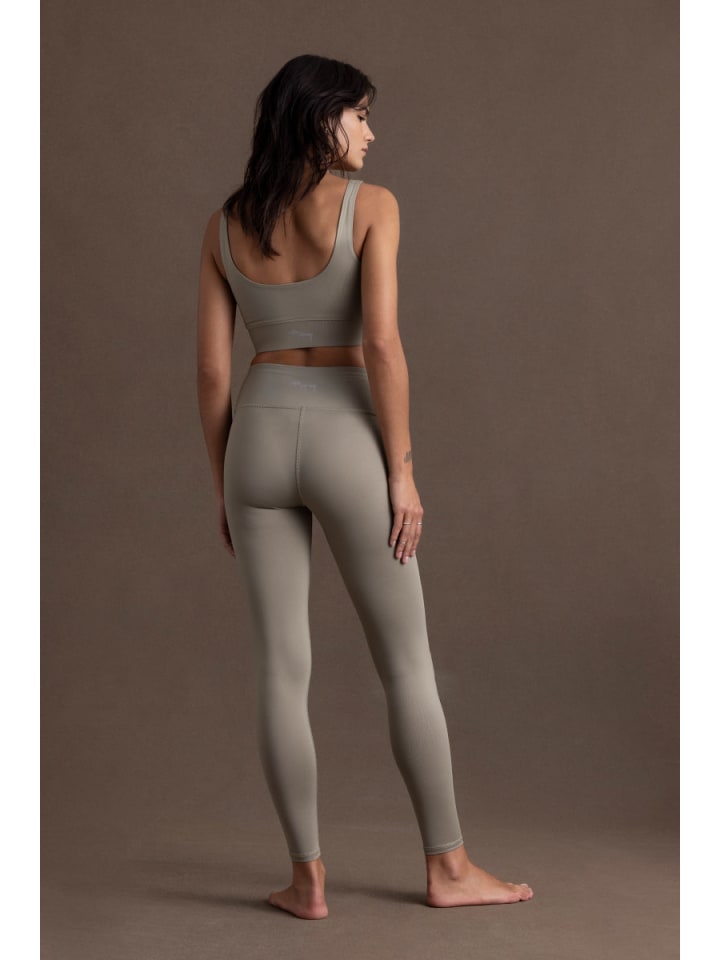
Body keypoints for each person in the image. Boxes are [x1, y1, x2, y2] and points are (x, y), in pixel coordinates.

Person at [196, 54, 533, 920]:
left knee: (281, 670)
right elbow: (381, 344)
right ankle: (448, 867)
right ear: (321, 118)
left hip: (257, 435)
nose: (371, 133)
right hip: (346, 433)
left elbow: (212, 373)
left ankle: (306, 881)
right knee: (407, 664)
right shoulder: (371, 206)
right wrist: (402, 471)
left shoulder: (226, 223)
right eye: (359, 115)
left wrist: (224, 483)